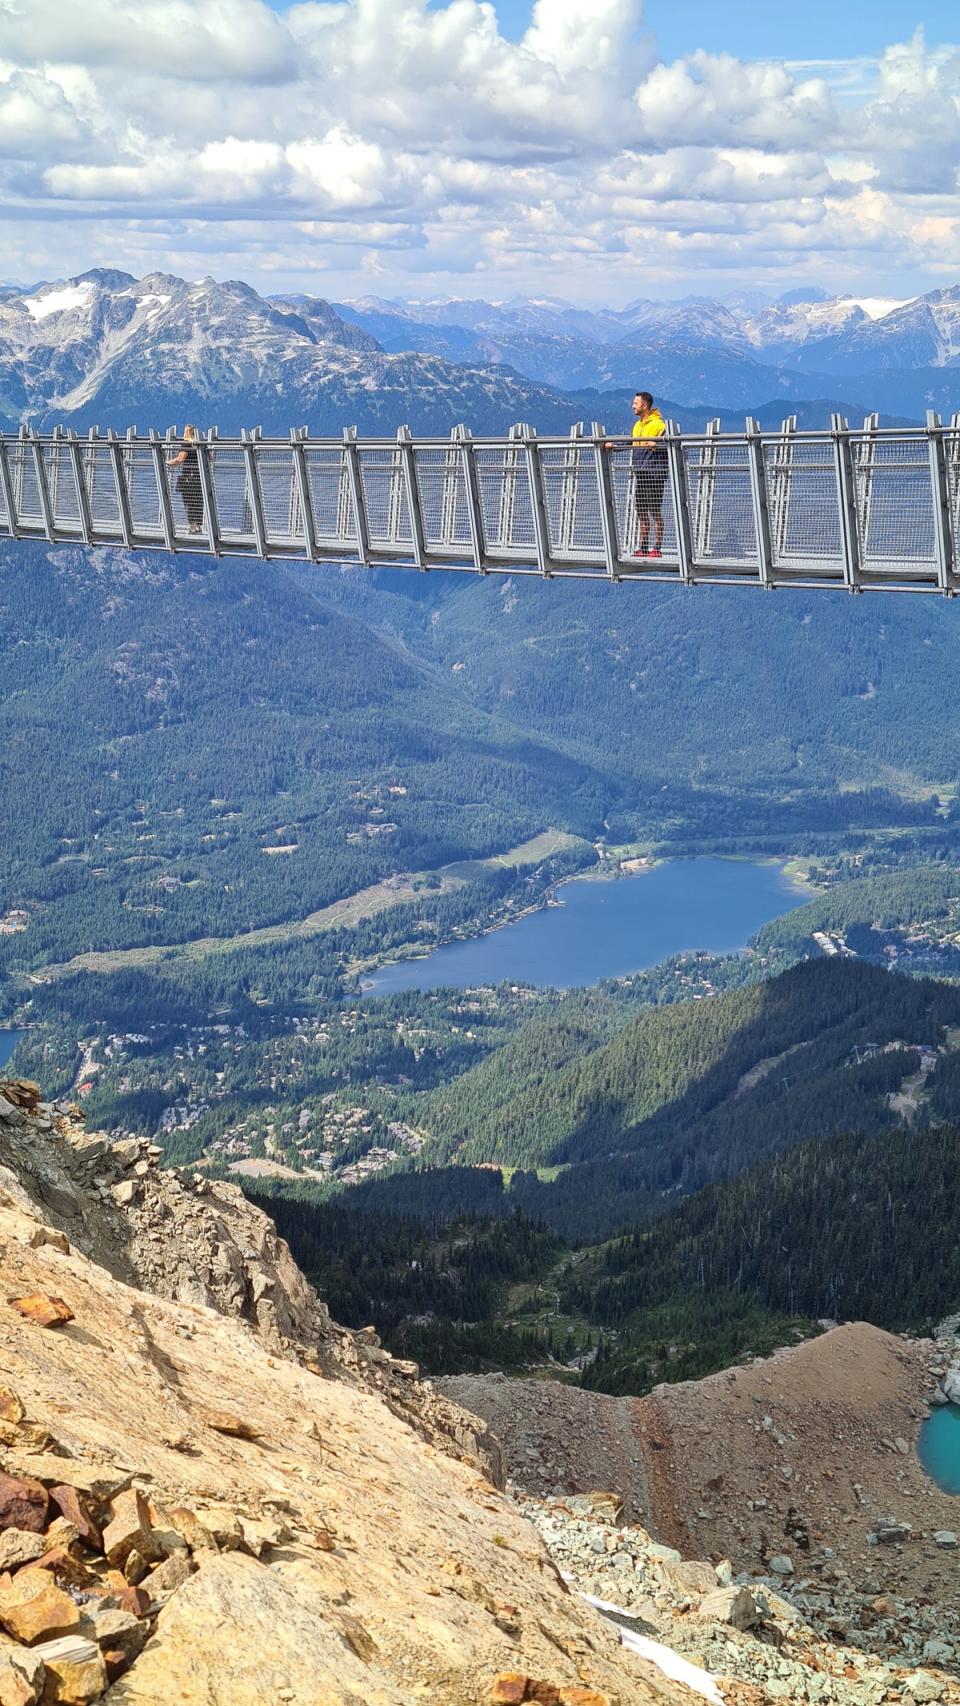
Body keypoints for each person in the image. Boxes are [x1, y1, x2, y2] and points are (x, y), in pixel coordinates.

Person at [607, 392, 668, 558]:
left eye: (635, 403)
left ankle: (657, 547)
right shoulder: (638, 425)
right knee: (641, 511)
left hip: (654, 473)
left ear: (644, 405)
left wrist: (656, 444)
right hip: (640, 472)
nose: (633, 406)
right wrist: (614, 445)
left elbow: (668, 443)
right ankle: (643, 547)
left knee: (654, 510)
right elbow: (631, 442)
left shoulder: (659, 425)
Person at [167, 424, 204, 535]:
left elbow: (180, 459)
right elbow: (211, 458)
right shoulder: (200, 444)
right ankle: (199, 526)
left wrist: (166, 462)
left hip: (188, 478)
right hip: (200, 478)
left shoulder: (186, 444)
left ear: (186, 433)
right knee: (199, 502)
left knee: (189, 502)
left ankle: (192, 526)